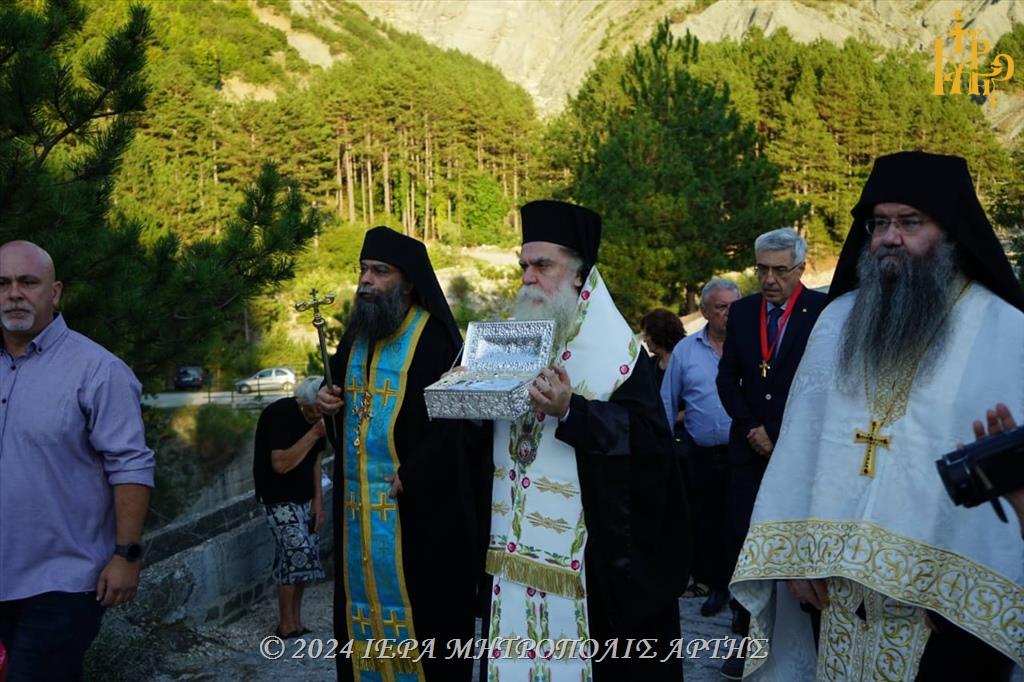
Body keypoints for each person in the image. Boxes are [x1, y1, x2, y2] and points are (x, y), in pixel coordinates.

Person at [730, 151, 1024, 680]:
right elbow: (802, 448)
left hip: (948, 612)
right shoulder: (838, 321)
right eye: (880, 222)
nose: (891, 236)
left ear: (951, 231)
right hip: (836, 594)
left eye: (911, 222)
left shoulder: (1005, 331)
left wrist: (959, 593)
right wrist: (796, 558)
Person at [482, 200, 689, 682]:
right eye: (524, 266)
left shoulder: (619, 355)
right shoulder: (510, 340)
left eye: (542, 265)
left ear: (579, 276)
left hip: (589, 571)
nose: (529, 278)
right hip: (512, 557)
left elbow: (652, 451)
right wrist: (465, 392)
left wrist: (573, 411)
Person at [315, 226, 479, 682]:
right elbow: (347, 418)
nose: (366, 280)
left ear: (408, 281)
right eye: (363, 270)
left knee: (427, 623)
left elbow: (458, 421)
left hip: (419, 514)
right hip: (359, 518)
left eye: (379, 272)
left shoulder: (438, 341)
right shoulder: (356, 338)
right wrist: (328, 404)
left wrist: (417, 472)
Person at [0, 241, 154, 681]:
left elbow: (131, 466)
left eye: (28, 282)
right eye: (3, 283)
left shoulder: (98, 371)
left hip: (62, 584)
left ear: (55, 292)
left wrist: (127, 555)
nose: (14, 293)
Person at [716, 227, 826, 678]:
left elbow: (823, 385)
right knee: (746, 545)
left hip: (799, 452)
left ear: (800, 268)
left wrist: (779, 432)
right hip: (748, 452)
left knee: (801, 549)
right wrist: (750, 428)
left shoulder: (822, 312)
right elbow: (727, 380)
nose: (769, 279)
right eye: (761, 268)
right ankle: (746, 639)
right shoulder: (742, 313)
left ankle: (813, 643)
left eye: (780, 270)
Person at [661, 279, 740, 619]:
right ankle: (717, 586)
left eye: (734, 306)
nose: (728, 314)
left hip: (744, 452)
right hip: (702, 453)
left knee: (741, 522)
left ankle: (743, 597)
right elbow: (667, 399)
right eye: (721, 307)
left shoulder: (751, 346)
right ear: (706, 311)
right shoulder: (686, 350)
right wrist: (662, 447)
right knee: (707, 523)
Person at [253, 375, 327, 639]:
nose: (317, 415)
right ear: (304, 402)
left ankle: (296, 620)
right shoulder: (280, 414)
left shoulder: (320, 418)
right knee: (294, 554)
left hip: (305, 497)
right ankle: (285, 624)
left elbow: (317, 460)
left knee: (303, 560)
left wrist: (319, 501)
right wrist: (315, 432)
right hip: (278, 498)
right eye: (314, 410)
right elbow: (280, 464)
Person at [640, 307, 686, 387]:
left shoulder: (688, 363)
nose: (644, 340)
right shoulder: (650, 365)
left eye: (647, 335)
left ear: (658, 333)